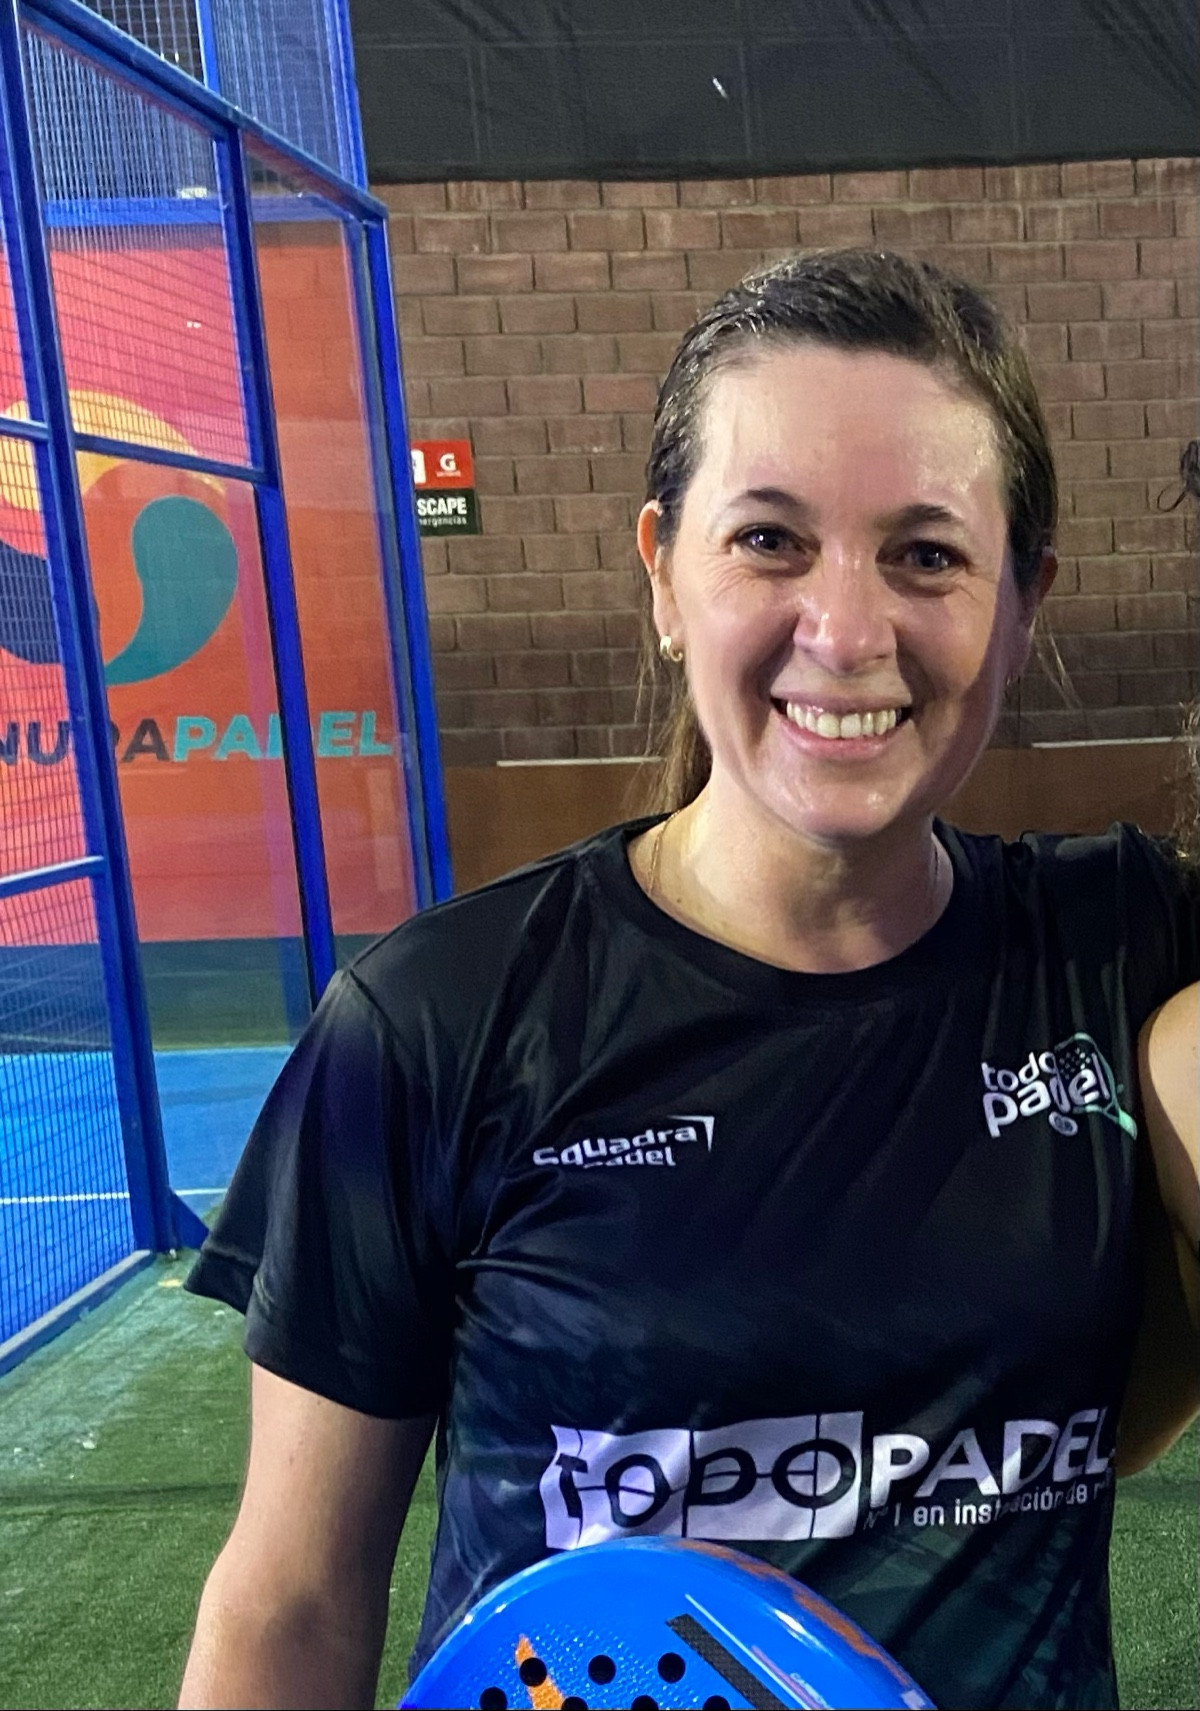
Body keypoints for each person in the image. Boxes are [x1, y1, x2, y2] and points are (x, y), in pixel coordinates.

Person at [178, 249, 1198, 1711]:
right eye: (770, 540)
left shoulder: (1123, 947)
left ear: (1025, 600)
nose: (846, 632)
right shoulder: (437, 1021)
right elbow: (290, 1604)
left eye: (926, 555)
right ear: (662, 572)